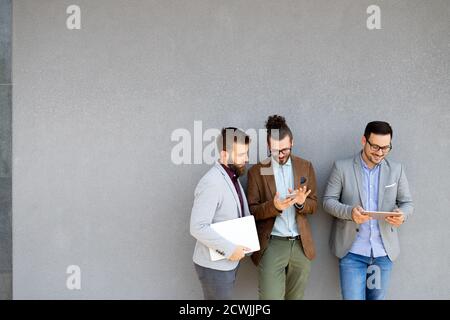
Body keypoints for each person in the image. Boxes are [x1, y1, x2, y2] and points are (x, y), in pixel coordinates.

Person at [323, 121, 414, 300]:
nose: (380, 153)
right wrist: (350, 212)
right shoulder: (342, 167)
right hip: (353, 253)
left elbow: (407, 203)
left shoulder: (396, 170)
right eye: (375, 147)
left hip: (383, 253)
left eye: (386, 148)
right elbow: (328, 202)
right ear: (364, 140)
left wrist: (402, 215)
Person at [247, 115, 318, 300]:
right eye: (275, 150)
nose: (280, 155)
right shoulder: (257, 171)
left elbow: (314, 204)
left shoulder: (306, 166)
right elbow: (252, 211)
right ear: (268, 146)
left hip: (301, 246)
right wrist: (274, 206)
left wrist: (302, 202)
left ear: (292, 142)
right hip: (272, 244)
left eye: (284, 149)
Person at [190, 127, 251, 299]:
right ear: (224, 155)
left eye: (246, 153)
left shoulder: (232, 177)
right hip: (214, 267)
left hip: (227, 263)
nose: (246, 159)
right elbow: (197, 227)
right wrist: (231, 249)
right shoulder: (211, 182)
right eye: (241, 155)